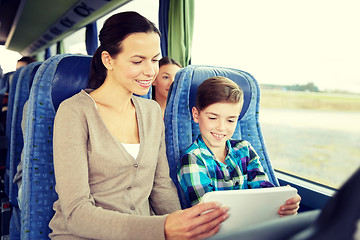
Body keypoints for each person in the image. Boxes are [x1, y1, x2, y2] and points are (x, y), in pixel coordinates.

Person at [48, 11, 229, 240]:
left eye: (154, 59)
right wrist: (162, 228)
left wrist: (187, 228)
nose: (150, 71)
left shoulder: (152, 112)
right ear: (108, 60)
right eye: (137, 61)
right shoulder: (73, 112)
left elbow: (161, 188)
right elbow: (76, 212)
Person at [177, 76, 301, 216]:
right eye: (212, 118)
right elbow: (207, 213)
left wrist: (281, 201)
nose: (221, 127)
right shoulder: (191, 159)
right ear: (196, 115)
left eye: (230, 120)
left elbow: (262, 189)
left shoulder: (245, 150)